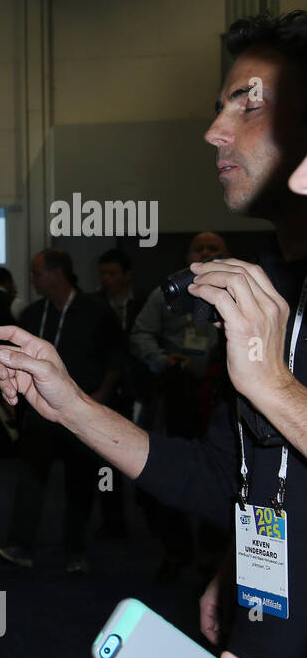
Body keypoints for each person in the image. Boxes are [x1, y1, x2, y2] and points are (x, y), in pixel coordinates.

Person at [0, 11, 307, 658]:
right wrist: (70, 403)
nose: (215, 131)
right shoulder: (266, 290)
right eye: (220, 108)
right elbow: (223, 478)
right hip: (269, 653)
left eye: (249, 103)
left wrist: (274, 386)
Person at [0, 249, 125, 572]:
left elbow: (116, 358)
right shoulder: (31, 315)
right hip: (38, 414)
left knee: (79, 482)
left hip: (82, 412)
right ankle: (21, 546)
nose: (33, 279)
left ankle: (75, 551)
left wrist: (101, 396)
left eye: (37, 273)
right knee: (30, 478)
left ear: (57, 273)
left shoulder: (97, 312)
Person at [130, 232, 228, 581]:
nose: (205, 253)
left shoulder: (239, 294)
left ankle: (212, 556)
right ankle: (177, 549)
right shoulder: (167, 292)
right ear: (189, 255)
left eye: (213, 249)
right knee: (163, 469)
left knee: (223, 477)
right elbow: (140, 333)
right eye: (198, 248)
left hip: (223, 398)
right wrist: (160, 359)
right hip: (174, 393)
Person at [92, 248, 145, 542]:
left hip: (141, 390)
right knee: (108, 460)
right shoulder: (94, 305)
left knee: (148, 453)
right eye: (103, 274)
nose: (107, 279)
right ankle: (113, 520)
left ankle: (150, 516)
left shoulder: (145, 301)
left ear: (126, 275)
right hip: (108, 391)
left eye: (112, 273)